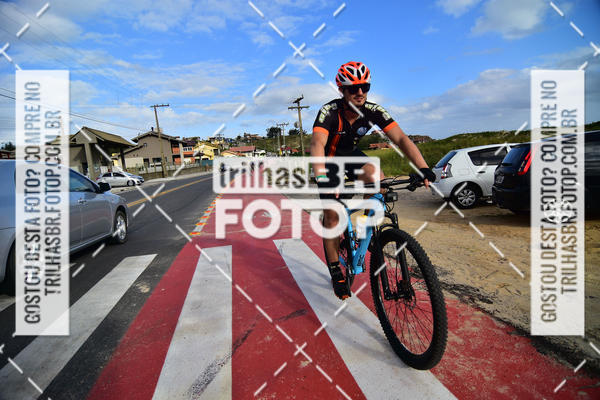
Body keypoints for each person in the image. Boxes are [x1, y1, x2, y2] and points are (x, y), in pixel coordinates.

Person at [310, 61, 436, 300]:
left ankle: (365, 228)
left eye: (365, 87)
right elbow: (317, 144)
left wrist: (423, 168)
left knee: (378, 177)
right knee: (332, 215)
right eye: (353, 88)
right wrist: (322, 177)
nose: (360, 92)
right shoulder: (330, 111)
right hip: (328, 160)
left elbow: (401, 139)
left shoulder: (374, 111)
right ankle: (336, 270)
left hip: (351, 156)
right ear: (342, 90)